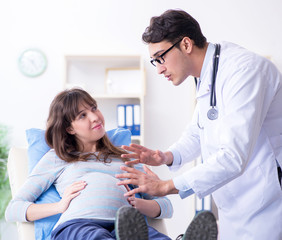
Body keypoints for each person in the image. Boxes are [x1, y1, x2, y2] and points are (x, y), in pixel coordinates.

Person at [116, 9, 282, 240]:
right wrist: (166, 156)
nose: (159, 68)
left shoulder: (244, 70)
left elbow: (233, 157)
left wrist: (166, 186)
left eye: (161, 57)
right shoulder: (208, 75)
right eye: (154, 61)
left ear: (185, 44)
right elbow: (199, 130)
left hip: (269, 202)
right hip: (237, 203)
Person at [5, 88, 174, 240]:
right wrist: (59, 206)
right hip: (78, 226)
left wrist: (140, 204)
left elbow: (166, 207)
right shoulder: (57, 157)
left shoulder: (127, 155)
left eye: (94, 108)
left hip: (125, 227)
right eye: (82, 115)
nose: (95, 117)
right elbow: (13, 209)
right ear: (69, 129)